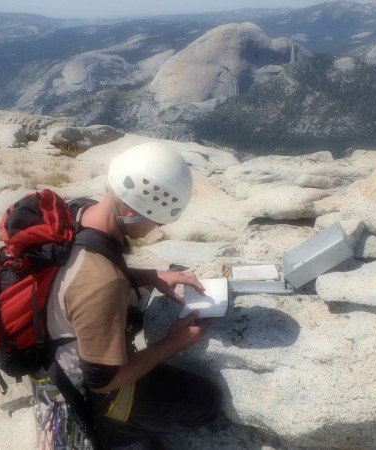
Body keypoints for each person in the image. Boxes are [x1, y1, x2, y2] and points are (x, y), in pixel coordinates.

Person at [46, 142, 222, 448]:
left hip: (54, 339)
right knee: (206, 403)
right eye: (156, 220)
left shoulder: (80, 210)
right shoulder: (103, 281)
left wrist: (149, 276)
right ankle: (109, 431)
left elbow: (81, 273)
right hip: (85, 392)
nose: (156, 228)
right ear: (129, 210)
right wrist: (173, 343)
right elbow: (102, 382)